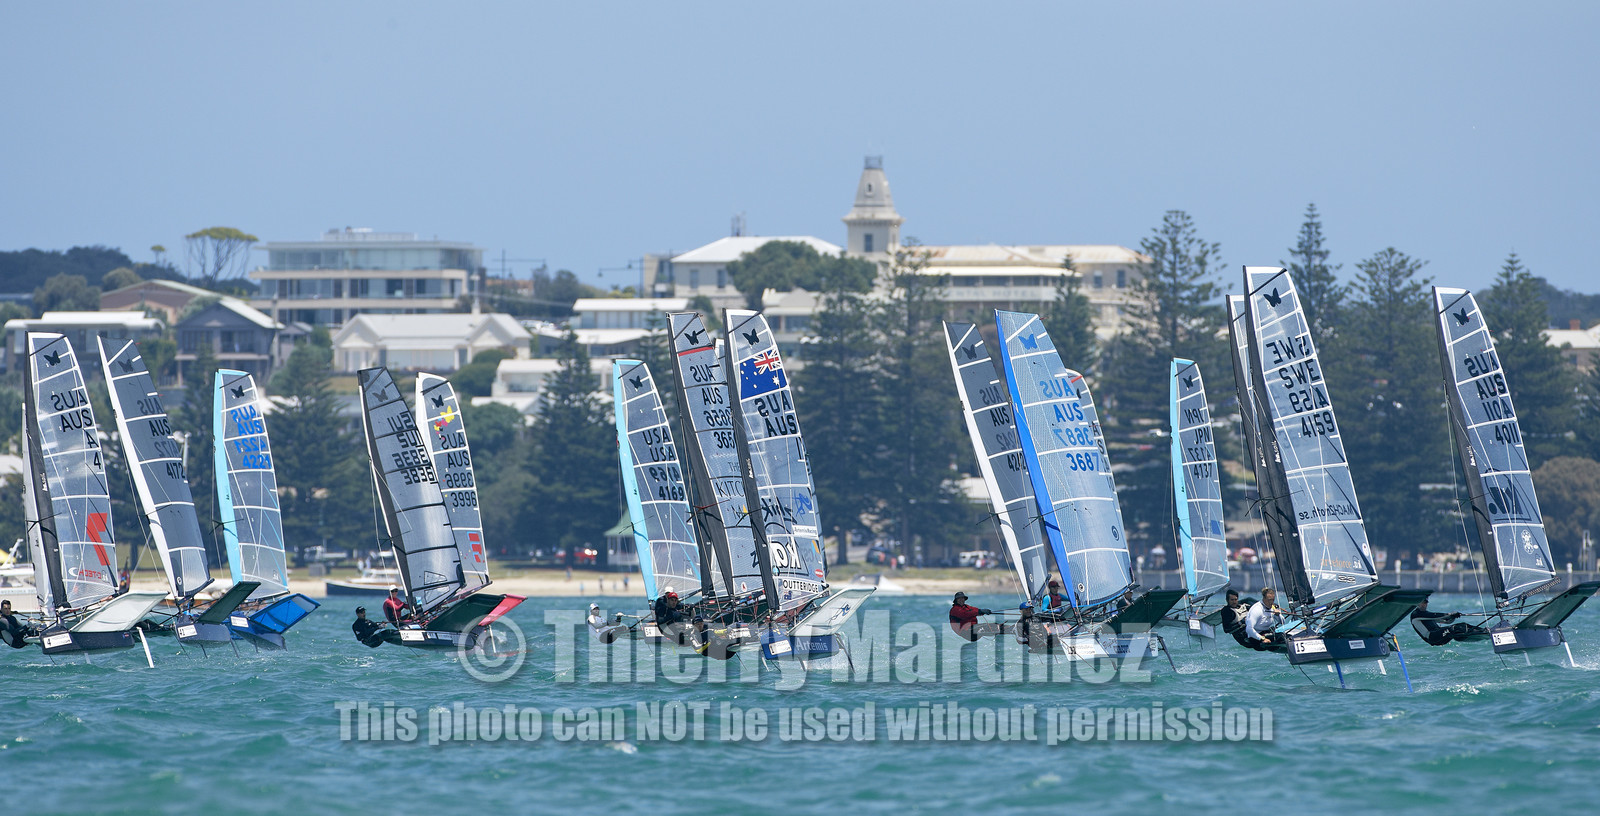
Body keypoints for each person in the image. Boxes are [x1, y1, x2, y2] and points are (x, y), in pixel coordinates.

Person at [1410, 598, 1485, 646]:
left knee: (1462, 626)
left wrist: (1452, 617)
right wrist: (1450, 614)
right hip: (1432, 637)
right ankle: (1481, 632)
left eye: (1426, 603)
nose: (1424, 605)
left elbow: (1447, 622)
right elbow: (1435, 615)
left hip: (1438, 634)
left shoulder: (1426, 615)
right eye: (1423, 603)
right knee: (1454, 629)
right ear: (1418, 603)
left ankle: (1484, 631)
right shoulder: (1416, 615)